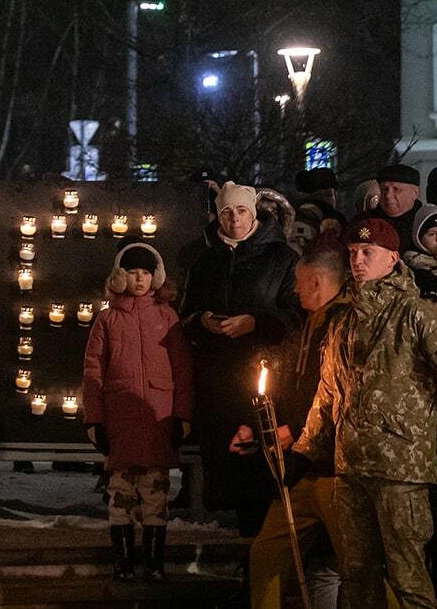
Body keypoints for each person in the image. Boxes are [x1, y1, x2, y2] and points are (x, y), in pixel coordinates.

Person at [285, 214, 437, 609]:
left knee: (408, 576)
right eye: (354, 252)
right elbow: (328, 393)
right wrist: (306, 449)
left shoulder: (415, 315)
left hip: (400, 472)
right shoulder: (343, 320)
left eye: (368, 252)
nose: (358, 260)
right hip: (352, 466)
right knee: (356, 575)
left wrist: (420, 425)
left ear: (392, 258)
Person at [177, 181, 299, 531]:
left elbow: (297, 315)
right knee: (226, 475)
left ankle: (258, 557)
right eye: (226, 211)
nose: (233, 219)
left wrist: (256, 322)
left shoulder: (281, 259)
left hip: (264, 379)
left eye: (241, 210)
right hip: (219, 380)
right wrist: (202, 321)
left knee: (261, 475)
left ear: (254, 213)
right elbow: (186, 314)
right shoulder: (205, 260)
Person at [247, 246, 351, 609]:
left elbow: (336, 394)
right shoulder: (310, 323)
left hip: (335, 471)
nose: (294, 289)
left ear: (318, 281)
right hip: (301, 468)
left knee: (359, 563)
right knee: (267, 553)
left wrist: (292, 428)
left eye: (298, 281)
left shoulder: (344, 325)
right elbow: (298, 382)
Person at [83, 243, 192, 582]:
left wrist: (182, 416)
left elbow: (182, 368)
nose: (140, 279)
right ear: (121, 276)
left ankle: (154, 562)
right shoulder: (107, 319)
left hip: (157, 419)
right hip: (121, 421)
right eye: (133, 272)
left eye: (146, 273)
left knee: (156, 495)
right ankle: (124, 562)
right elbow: (93, 371)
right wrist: (95, 420)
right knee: (121, 495)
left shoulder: (167, 317)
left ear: (155, 276)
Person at [372, 164, 422, 241]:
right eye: (384, 189)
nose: (388, 196)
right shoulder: (364, 221)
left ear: (415, 193)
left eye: (396, 189)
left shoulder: (427, 221)